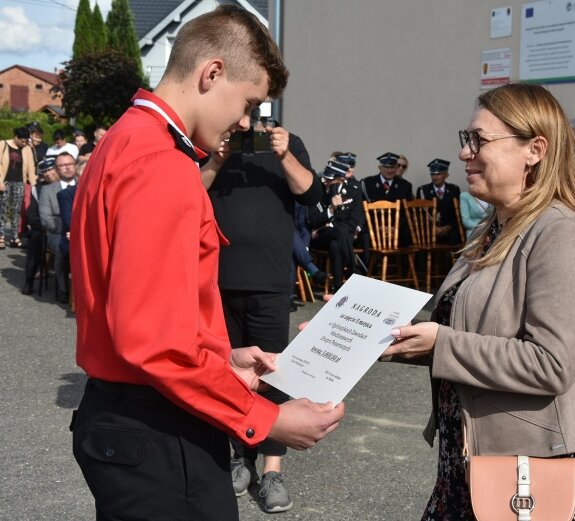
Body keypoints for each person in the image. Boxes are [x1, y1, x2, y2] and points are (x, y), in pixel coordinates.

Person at [69, 6, 344, 521]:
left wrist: (222, 356)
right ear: (211, 73)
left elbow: (142, 315)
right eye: (248, 103)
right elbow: (152, 342)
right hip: (159, 427)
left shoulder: (124, 140)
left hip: (131, 412)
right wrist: (264, 420)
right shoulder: (163, 165)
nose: (246, 122)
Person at [383, 82, 575, 520]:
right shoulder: (490, 231)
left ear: (535, 149)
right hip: (467, 459)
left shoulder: (561, 234)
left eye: (479, 140)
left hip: (523, 477)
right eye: (465, 139)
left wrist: (440, 343)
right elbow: (464, 334)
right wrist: (369, 330)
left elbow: (553, 364)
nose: (465, 153)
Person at [200, 115, 322, 511]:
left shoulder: (287, 142)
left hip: (270, 279)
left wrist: (285, 154)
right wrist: (216, 160)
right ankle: (241, 458)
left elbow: (309, 192)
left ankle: (272, 471)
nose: (243, 120)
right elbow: (189, 192)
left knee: (272, 373)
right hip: (219, 279)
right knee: (227, 375)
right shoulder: (211, 140)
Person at [308, 159, 361, 292]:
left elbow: (352, 219)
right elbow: (313, 221)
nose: (326, 182)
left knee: (336, 244)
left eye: (330, 180)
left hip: (337, 235)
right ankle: (353, 271)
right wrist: (331, 209)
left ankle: (338, 287)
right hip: (319, 237)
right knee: (340, 231)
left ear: (340, 181)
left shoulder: (346, 191)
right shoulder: (316, 191)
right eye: (325, 178)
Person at [38, 152, 76, 303]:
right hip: (57, 233)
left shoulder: (86, 184)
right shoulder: (48, 190)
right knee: (61, 250)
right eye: (62, 165)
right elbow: (46, 219)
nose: (67, 168)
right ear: (56, 169)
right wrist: (67, 231)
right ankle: (63, 289)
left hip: (82, 232)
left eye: (70, 164)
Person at [21, 157, 58, 295]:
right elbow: (32, 215)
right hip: (44, 229)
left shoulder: (69, 184)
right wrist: (45, 226)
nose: (48, 173)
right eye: (45, 171)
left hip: (64, 228)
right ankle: (29, 280)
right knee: (34, 238)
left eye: (51, 169)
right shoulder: (37, 189)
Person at [0, 126, 36, 249]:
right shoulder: (3, 144)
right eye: (22, 140)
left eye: (26, 141)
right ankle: (1, 236)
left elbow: (31, 167)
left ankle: (15, 237)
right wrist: (0, 181)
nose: (24, 143)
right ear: (16, 137)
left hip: (19, 182)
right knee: (3, 210)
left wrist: (33, 184)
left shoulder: (26, 149)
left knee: (16, 211)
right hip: (4, 181)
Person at [415, 159, 461, 244]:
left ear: (446, 175)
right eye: (432, 174)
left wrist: (448, 227)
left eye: (438, 174)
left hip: (449, 230)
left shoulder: (454, 189)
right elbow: (419, 214)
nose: (434, 177)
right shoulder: (423, 190)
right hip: (429, 230)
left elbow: (457, 214)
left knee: (456, 238)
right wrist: (432, 228)